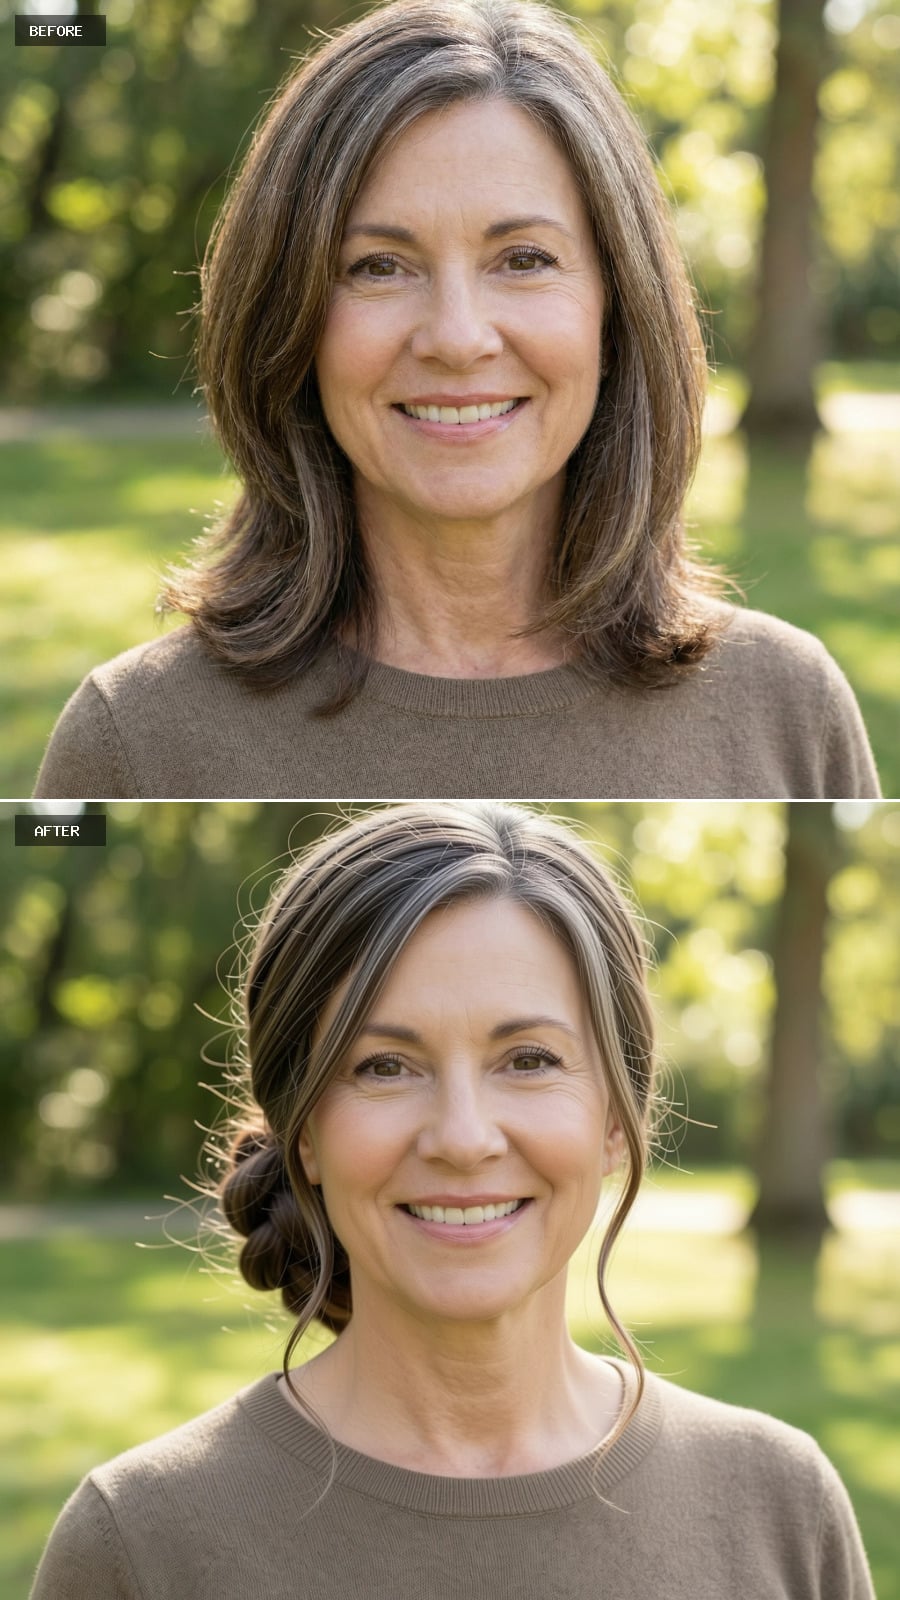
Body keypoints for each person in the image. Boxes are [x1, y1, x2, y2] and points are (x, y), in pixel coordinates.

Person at [33, 0, 879, 800]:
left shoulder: (786, 709)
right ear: (287, 320)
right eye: (378, 267)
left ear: (618, 307)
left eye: (523, 259)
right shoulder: (137, 741)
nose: (457, 336)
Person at [31, 801, 875, 1598]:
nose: (464, 1137)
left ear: (617, 1117)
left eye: (530, 1060)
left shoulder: (780, 1504)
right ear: (305, 1134)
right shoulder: (140, 1540)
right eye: (384, 1067)